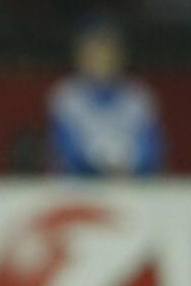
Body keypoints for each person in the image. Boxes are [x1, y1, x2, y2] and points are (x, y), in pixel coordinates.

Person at [48, 16, 165, 176]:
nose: (101, 58)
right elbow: (66, 149)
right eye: (93, 52)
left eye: (107, 51)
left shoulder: (138, 96)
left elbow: (151, 148)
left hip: (133, 183)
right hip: (81, 187)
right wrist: (100, 170)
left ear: (120, 56)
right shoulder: (66, 96)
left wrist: (131, 170)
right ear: (79, 56)